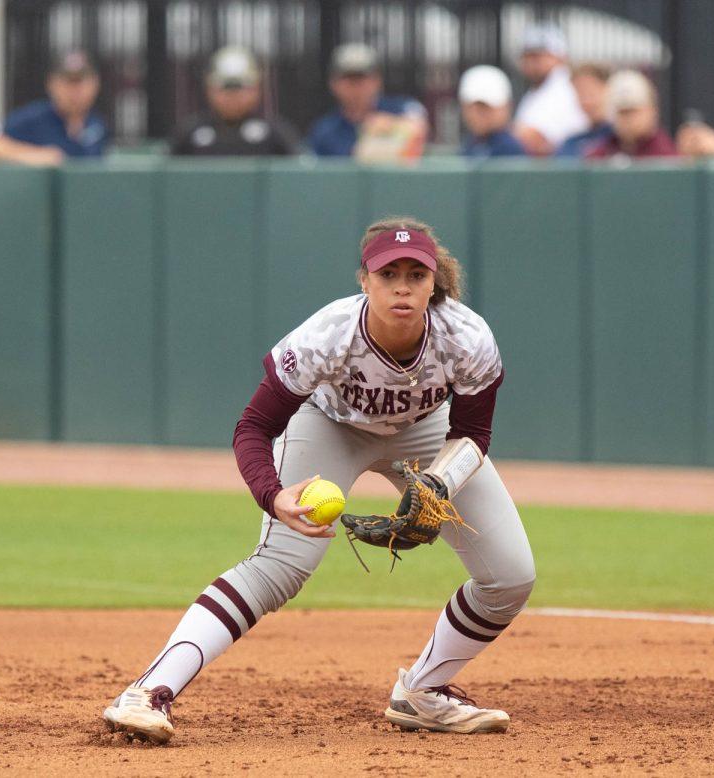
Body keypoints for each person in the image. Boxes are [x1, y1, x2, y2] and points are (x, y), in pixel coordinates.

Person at [102, 217, 535, 744]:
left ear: (433, 283)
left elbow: (471, 434)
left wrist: (438, 487)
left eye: (415, 274)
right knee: (282, 565)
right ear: (365, 281)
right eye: (388, 273)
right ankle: (147, 693)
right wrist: (272, 494)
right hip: (331, 426)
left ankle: (423, 692)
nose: (402, 285)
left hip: (426, 434)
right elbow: (255, 426)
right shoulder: (328, 334)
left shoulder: (466, 338)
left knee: (511, 575)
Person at [0, 50, 107, 165]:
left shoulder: (96, 124)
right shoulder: (32, 118)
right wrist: (35, 156)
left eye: (80, 83)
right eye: (68, 83)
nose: (74, 91)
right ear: (52, 84)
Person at [170, 46, 301, 156]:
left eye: (240, 87)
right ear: (209, 89)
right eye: (225, 87)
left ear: (257, 89)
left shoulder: (276, 134)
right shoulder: (189, 133)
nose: (232, 95)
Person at [307, 43, 428, 161]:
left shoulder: (400, 107)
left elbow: (418, 124)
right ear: (333, 83)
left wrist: (387, 126)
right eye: (348, 79)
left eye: (361, 78)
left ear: (377, 80)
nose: (356, 87)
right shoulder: (325, 130)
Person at [513, 24, 588, 156]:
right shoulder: (537, 90)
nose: (531, 63)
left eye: (538, 57)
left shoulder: (564, 86)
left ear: (560, 57)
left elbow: (534, 138)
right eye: (527, 56)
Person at [585, 70, 676, 160]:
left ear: (651, 111)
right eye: (622, 112)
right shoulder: (603, 151)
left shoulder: (664, 155)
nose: (628, 119)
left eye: (633, 111)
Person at [458, 65, 526, 158]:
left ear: (506, 106)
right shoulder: (471, 144)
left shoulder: (509, 148)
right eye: (474, 107)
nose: (478, 115)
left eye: (486, 107)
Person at [556, 63, 612, 157]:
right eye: (580, 93)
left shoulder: (619, 140)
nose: (586, 100)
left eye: (591, 92)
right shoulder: (571, 142)